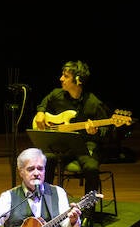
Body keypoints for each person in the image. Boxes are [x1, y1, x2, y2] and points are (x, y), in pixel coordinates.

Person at [32, 59, 112, 193]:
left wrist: (95, 132)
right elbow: (44, 102)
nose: (61, 78)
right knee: (45, 160)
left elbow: (107, 131)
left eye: (66, 76)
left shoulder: (93, 102)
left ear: (78, 80)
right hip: (62, 147)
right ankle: (43, 203)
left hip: (85, 147)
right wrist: (40, 112)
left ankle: (88, 211)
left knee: (92, 168)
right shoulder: (57, 94)